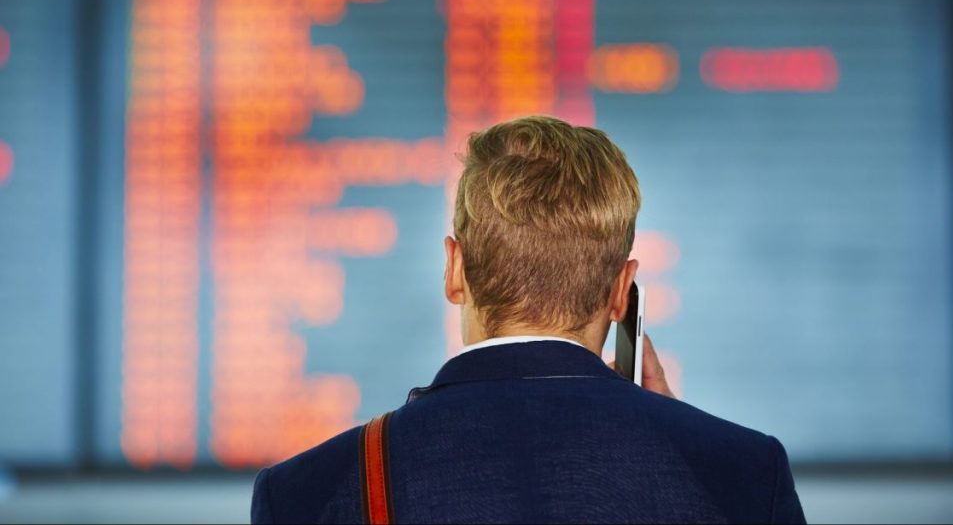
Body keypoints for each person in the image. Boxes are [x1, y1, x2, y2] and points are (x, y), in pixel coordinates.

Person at [251, 115, 805, 524]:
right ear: (622, 290)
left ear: (455, 269)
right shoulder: (746, 473)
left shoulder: (307, 492)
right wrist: (684, 456)